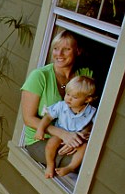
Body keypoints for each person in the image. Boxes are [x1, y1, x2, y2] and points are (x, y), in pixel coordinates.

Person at [19, 30, 88, 172]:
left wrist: (79, 137)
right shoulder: (39, 76)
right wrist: (63, 134)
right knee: (84, 164)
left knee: (89, 154)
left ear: (78, 51)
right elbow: (28, 119)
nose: (59, 54)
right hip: (41, 141)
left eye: (66, 49)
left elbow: (90, 113)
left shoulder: (83, 76)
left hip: (72, 137)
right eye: (56, 48)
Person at [34, 74, 96, 179]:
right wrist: (40, 129)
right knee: (51, 143)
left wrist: (85, 135)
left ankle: (71, 167)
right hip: (61, 134)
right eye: (67, 94)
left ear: (87, 99)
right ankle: (50, 165)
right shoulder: (61, 106)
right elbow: (48, 117)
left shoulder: (91, 112)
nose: (68, 99)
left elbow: (95, 125)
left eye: (74, 97)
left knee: (84, 147)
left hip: (77, 138)